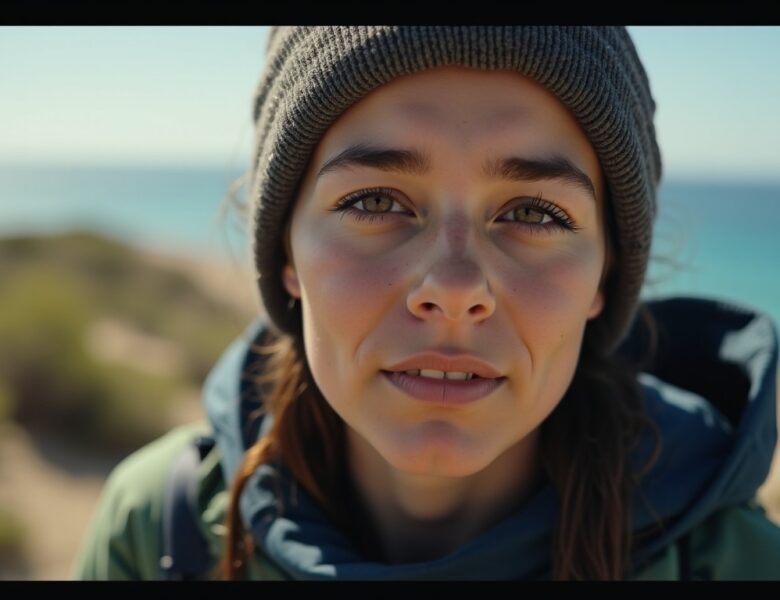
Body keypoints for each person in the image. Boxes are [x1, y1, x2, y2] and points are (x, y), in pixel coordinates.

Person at [72, 26, 780, 581]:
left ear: (605, 276)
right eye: (376, 201)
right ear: (286, 251)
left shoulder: (732, 564)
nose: (453, 289)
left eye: (534, 213)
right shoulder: (160, 529)